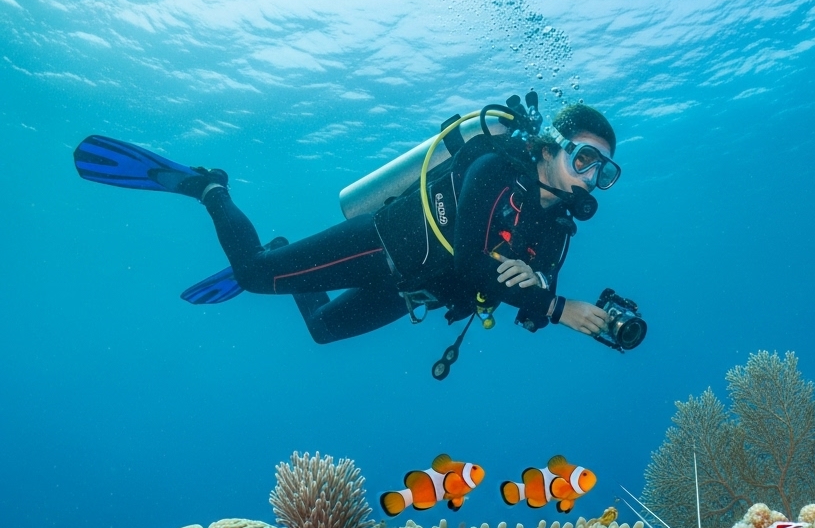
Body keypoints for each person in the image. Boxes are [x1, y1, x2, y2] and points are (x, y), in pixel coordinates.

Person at [74, 102, 622, 345]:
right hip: (385, 245)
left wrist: (541, 296)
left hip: (414, 291)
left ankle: (285, 247)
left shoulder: (558, 226)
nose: (591, 178)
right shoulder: (495, 168)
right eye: (583, 159)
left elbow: (526, 298)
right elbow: (472, 263)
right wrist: (554, 307)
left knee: (321, 331)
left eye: (604, 171)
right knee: (254, 275)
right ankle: (208, 187)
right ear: (550, 147)